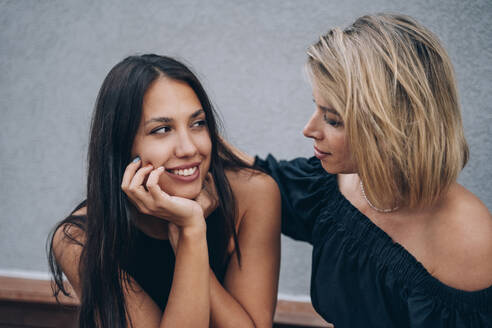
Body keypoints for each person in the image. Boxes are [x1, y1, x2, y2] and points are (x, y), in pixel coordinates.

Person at [236, 13, 492, 327]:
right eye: (316, 107)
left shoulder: (470, 241)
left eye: (332, 119)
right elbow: (264, 176)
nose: (308, 129)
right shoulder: (336, 183)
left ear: (390, 127)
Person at [47, 54, 281, 328]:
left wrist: (187, 241)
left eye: (197, 123)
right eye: (161, 130)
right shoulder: (79, 239)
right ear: (123, 148)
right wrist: (192, 230)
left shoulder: (253, 195)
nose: (188, 148)